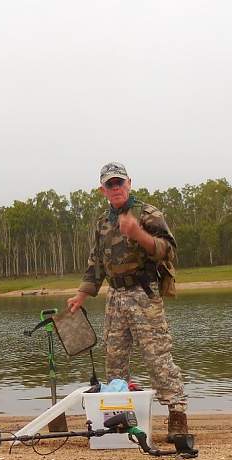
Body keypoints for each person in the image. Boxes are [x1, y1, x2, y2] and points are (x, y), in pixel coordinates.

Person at [67, 162, 188, 441]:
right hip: (115, 298)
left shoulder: (147, 213)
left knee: (158, 358)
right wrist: (81, 295)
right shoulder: (102, 222)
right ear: (103, 190)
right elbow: (96, 264)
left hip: (144, 294)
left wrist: (138, 234)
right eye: (110, 184)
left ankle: (177, 414)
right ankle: (117, 419)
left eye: (120, 182)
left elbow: (167, 250)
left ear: (129, 183)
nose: (116, 187)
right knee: (115, 362)